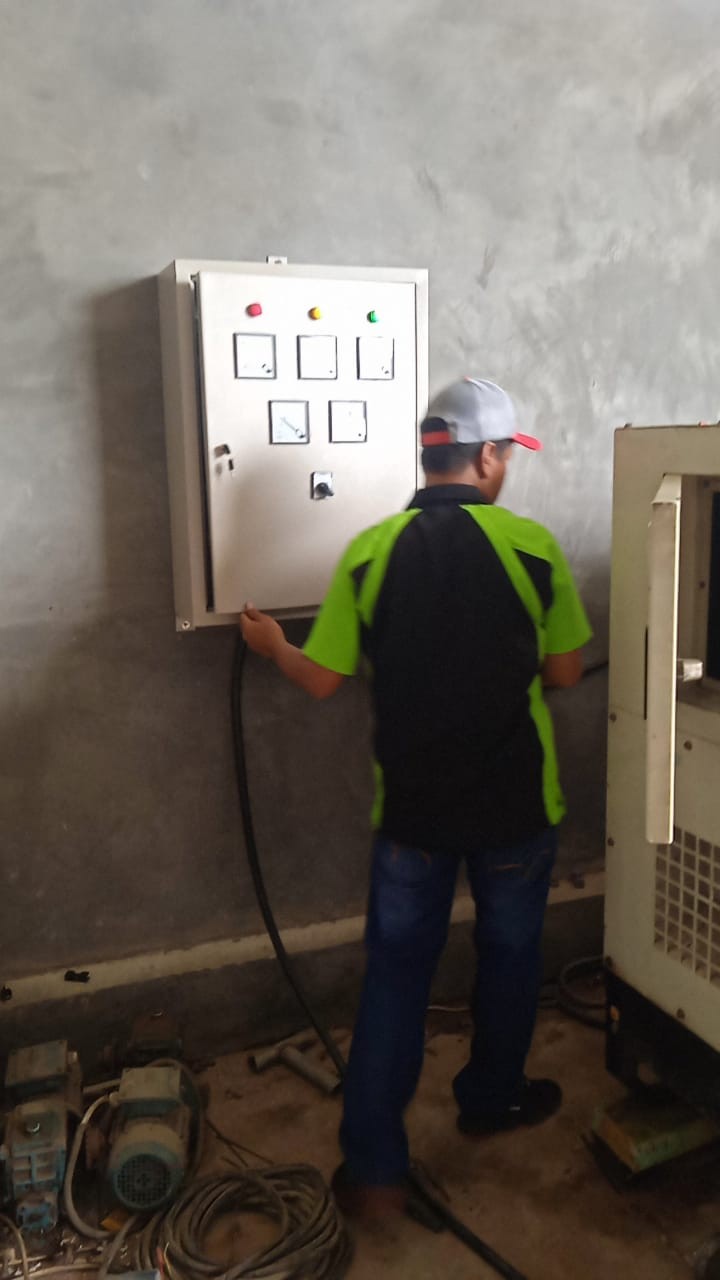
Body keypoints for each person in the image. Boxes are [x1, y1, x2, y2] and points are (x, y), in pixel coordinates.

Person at [240, 377, 592, 1217]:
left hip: (412, 819)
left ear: (430, 455)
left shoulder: (371, 551)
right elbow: (566, 671)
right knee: (510, 958)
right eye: (508, 455)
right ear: (488, 457)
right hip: (515, 811)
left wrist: (273, 645)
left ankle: (372, 1170)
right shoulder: (533, 547)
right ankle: (492, 1099)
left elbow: (322, 680)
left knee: (396, 980)